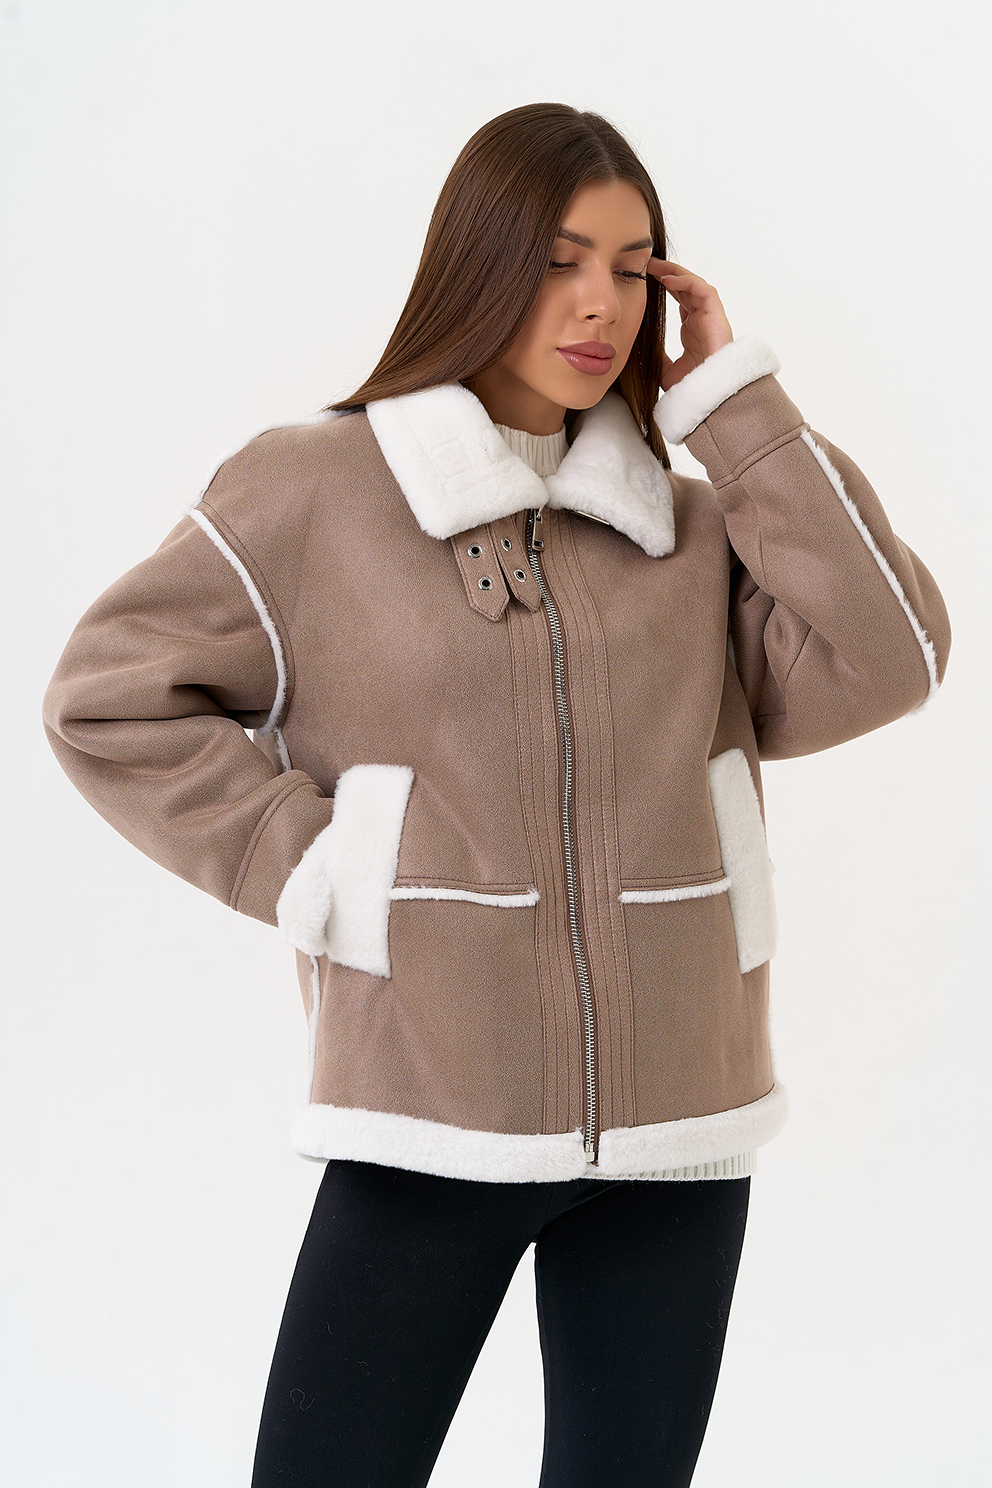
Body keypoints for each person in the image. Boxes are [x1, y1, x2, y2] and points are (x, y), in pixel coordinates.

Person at [42, 102, 951, 1487]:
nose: (600, 305)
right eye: (559, 260)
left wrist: (734, 410)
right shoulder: (314, 488)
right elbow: (107, 699)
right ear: (477, 267)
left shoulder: (692, 523)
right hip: (427, 1114)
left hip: (680, 1123)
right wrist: (320, 864)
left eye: (632, 269)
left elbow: (894, 656)